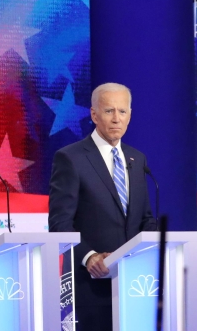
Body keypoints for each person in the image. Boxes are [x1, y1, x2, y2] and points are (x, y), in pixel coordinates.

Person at [48, 82, 157, 330]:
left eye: (123, 111)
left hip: (135, 282)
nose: (117, 118)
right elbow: (60, 223)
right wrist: (89, 257)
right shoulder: (71, 158)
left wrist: (154, 240)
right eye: (109, 111)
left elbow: (145, 217)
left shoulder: (136, 158)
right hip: (91, 283)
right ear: (94, 114)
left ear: (130, 115)